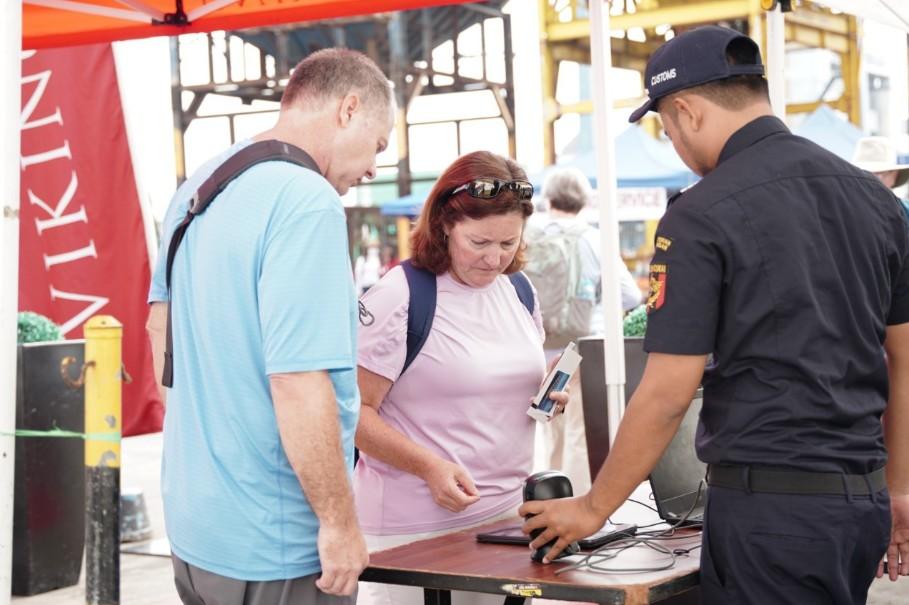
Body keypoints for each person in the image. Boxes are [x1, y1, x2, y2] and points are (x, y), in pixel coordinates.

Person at [520, 25, 909, 604]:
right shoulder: (877, 200)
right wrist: (899, 490)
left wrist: (593, 508)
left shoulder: (699, 216)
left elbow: (667, 391)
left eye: (667, 126)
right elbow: (903, 359)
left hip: (771, 513)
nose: (674, 141)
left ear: (687, 111)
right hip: (861, 504)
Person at [144, 48, 395, 604]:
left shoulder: (197, 187)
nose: (376, 167)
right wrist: (337, 522)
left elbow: (159, 334)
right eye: (378, 144)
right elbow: (300, 381)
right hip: (275, 542)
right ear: (349, 108)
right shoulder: (307, 202)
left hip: (196, 524)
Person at [353, 151, 569, 605]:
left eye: (508, 243)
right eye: (480, 242)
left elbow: (487, 379)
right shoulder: (402, 293)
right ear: (445, 224)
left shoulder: (519, 290)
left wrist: (544, 389)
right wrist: (428, 467)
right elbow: (351, 413)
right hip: (413, 532)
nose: (494, 259)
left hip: (509, 522)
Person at [527, 167, 642, 492]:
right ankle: (577, 505)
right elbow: (631, 295)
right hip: (585, 348)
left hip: (542, 347)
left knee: (551, 429)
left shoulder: (530, 235)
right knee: (580, 430)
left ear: (548, 200)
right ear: (583, 201)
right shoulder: (594, 238)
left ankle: (547, 500)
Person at [852, 135, 909, 221]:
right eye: (865, 173)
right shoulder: (844, 208)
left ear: (895, 175)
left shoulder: (905, 212)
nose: (872, 180)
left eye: (879, 173)